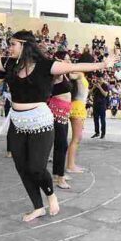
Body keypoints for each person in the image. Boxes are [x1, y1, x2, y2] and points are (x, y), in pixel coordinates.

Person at [0, 29, 115, 223]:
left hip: (40, 122)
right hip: (17, 122)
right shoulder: (9, 63)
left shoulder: (46, 65)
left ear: (24, 45)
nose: (9, 47)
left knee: (36, 167)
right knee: (21, 167)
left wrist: (103, 63)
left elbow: (76, 65)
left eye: (13, 44)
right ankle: (38, 207)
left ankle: (50, 195)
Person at [49, 51, 73, 190]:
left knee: (61, 144)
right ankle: (60, 178)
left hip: (63, 113)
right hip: (56, 112)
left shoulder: (64, 74)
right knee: (61, 144)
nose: (69, 62)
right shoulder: (57, 75)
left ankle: (58, 173)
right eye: (67, 60)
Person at [66, 72, 88, 173]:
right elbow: (71, 75)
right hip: (77, 107)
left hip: (78, 106)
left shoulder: (80, 74)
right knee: (76, 138)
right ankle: (70, 165)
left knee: (77, 138)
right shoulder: (79, 73)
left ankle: (71, 164)